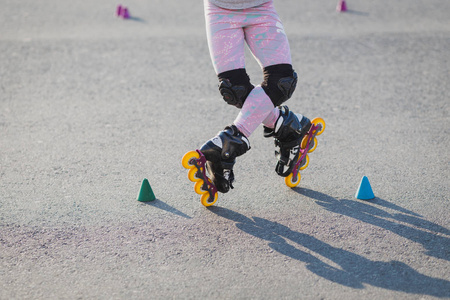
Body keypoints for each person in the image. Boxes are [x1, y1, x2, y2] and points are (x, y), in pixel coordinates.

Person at [200, 0, 312, 193]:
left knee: (281, 82)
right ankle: (285, 126)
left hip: (261, 8)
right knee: (235, 90)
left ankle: (229, 141)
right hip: (220, 10)